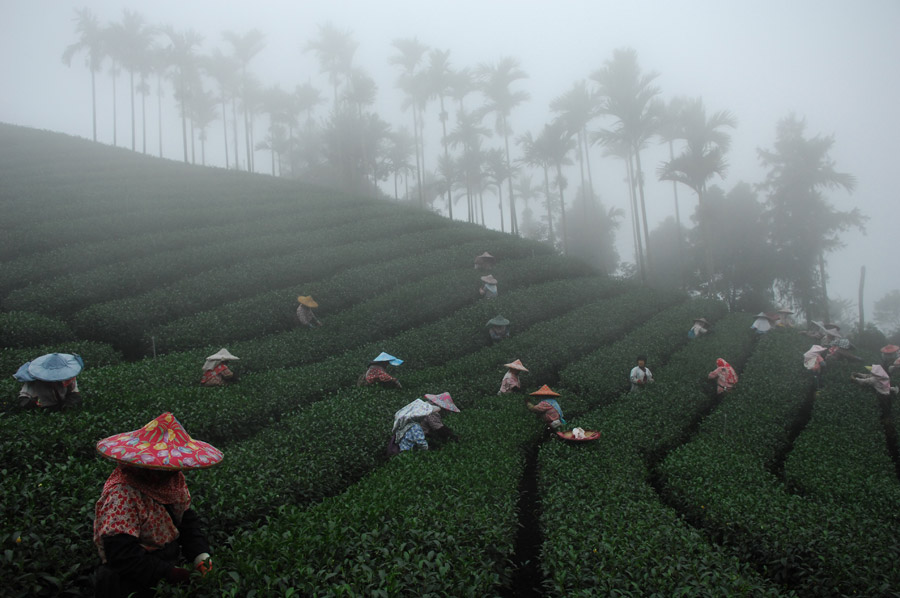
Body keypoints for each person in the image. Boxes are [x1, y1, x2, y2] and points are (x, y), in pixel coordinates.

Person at [93, 412, 222, 598]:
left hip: (162, 563)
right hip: (129, 579)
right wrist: (170, 574)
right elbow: (121, 555)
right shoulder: (121, 494)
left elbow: (186, 521)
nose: (170, 473)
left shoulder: (173, 481)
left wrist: (201, 555)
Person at [390, 392, 460, 453]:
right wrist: (453, 438)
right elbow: (438, 428)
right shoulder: (430, 411)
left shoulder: (423, 407)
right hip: (414, 440)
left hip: (405, 439)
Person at [14, 352, 84, 411]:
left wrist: (68, 404)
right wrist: (33, 404)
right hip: (42, 409)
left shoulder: (69, 377)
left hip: (61, 406)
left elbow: (74, 392)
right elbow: (23, 399)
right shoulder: (34, 380)